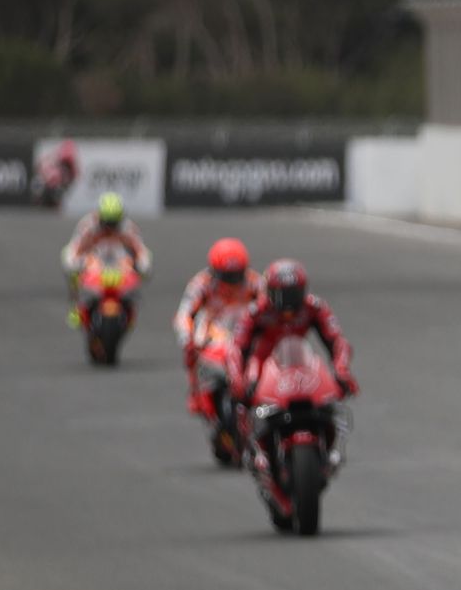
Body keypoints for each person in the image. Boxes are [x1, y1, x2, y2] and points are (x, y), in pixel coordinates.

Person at [230, 259, 358, 475]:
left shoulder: (315, 307)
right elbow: (237, 347)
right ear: (269, 292)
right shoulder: (255, 311)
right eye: (281, 295)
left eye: (293, 294)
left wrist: (341, 369)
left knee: (331, 399)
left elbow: (337, 341)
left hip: (299, 361)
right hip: (264, 364)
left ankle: (329, 448)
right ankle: (252, 450)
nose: (287, 304)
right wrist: (237, 379)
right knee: (244, 396)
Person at [173, 237, 263, 415]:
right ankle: (196, 391)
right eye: (227, 277)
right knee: (191, 348)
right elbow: (184, 313)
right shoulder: (201, 283)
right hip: (213, 328)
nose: (232, 283)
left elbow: (269, 307)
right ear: (214, 271)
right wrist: (186, 337)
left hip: (243, 325)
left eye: (236, 276)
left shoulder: (255, 281)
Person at [59, 192, 153, 325]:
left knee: (140, 269)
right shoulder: (88, 225)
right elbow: (74, 248)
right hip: (95, 259)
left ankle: (130, 307)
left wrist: (142, 265)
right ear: (100, 217)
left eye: (114, 223)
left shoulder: (129, 228)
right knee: (70, 266)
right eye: (107, 223)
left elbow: (141, 251)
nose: (110, 228)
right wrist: (76, 263)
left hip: (119, 261)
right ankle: (76, 306)